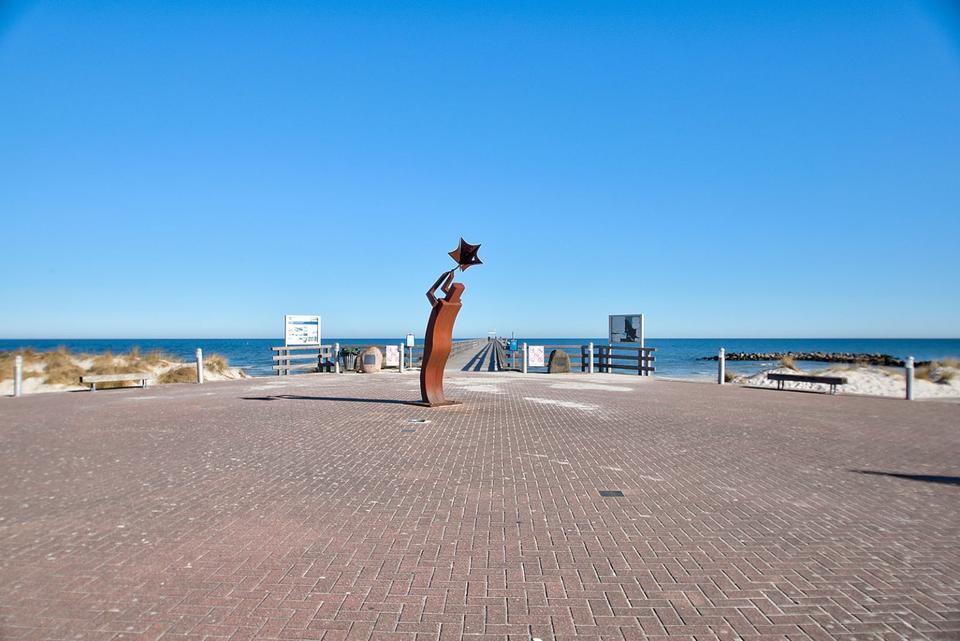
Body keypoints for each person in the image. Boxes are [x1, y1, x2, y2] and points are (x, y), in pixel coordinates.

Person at [420, 269, 464, 405]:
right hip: (445, 343)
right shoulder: (456, 305)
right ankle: (437, 395)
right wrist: (450, 279)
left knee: (429, 366)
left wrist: (444, 276)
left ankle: (431, 396)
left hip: (434, 339)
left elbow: (430, 293)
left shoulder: (440, 304)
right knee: (438, 367)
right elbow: (445, 290)